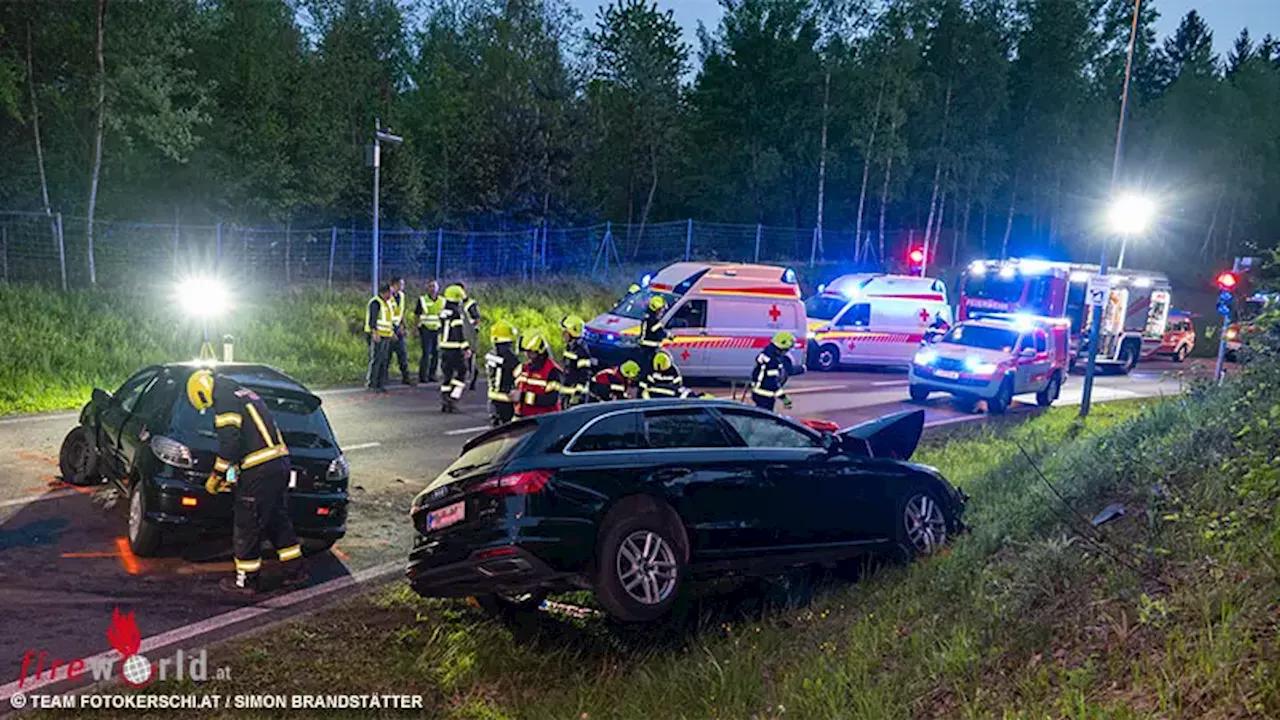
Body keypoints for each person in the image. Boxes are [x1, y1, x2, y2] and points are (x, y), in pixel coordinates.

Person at [188, 369, 305, 596]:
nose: (210, 408)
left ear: (202, 392)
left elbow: (230, 444)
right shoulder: (243, 393)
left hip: (259, 469)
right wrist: (232, 477)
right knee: (275, 520)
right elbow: (247, 440)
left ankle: (247, 581)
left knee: (246, 524)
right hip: (279, 464)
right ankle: (295, 571)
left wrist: (217, 476)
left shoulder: (224, 399)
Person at [438, 284, 471, 413]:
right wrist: (466, 347)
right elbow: (458, 333)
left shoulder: (443, 311)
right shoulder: (456, 313)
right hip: (454, 348)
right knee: (462, 372)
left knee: (447, 376)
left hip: (443, 347)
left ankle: (445, 400)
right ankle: (453, 397)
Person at [514, 334, 562, 418]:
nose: (527, 355)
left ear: (540, 352)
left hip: (545, 421)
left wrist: (523, 397)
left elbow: (551, 399)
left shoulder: (552, 371)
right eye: (526, 351)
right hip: (524, 419)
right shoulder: (524, 368)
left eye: (530, 352)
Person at [484, 321, 521, 426]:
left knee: (495, 431)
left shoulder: (490, 354)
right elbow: (519, 376)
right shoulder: (510, 357)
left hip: (492, 399)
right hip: (506, 400)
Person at [750, 331, 796, 412]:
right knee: (765, 418)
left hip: (757, 392)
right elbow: (771, 383)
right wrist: (784, 398)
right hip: (765, 395)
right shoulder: (773, 361)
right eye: (787, 350)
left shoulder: (765, 353)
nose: (786, 352)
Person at [364, 283, 395, 392]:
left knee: (384, 360)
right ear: (384, 292)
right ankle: (372, 383)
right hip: (377, 335)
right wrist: (375, 333)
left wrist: (392, 332)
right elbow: (373, 320)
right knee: (376, 360)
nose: (391, 295)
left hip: (386, 335)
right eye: (389, 293)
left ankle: (380, 384)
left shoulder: (388, 303)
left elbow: (390, 320)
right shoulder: (376, 302)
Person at [559, 315, 593, 407]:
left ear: (572, 332)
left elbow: (584, 374)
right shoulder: (569, 347)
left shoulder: (581, 350)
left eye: (565, 332)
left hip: (576, 397)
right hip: (567, 392)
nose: (563, 334)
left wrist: (578, 394)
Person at [414, 280, 444, 383]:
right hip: (425, 329)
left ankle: (432, 374)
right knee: (426, 353)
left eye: (434, 286)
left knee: (436, 353)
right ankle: (423, 376)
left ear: (438, 288)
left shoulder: (442, 301)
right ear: (427, 288)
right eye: (430, 286)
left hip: (437, 330)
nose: (432, 289)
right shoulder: (423, 300)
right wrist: (416, 328)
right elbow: (417, 314)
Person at [388, 278, 412, 385]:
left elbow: (401, 312)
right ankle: (382, 377)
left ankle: (406, 377)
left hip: (398, 327)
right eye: (400, 284)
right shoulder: (388, 296)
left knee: (402, 353)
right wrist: (391, 330)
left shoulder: (401, 296)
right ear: (393, 285)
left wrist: (404, 326)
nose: (402, 286)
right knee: (386, 354)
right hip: (388, 327)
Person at [459, 282, 482, 390]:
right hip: (459, 333)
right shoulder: (455, 303)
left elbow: (476, 319)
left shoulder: (470, 303)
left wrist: (470, 329)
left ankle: (473, 375)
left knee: (469, 358)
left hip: (469, 334)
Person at [638, 295, 668, 366]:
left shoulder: (648, 318)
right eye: (661, 309)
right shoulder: (653, 321)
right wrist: (668, 335)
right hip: (650, 350)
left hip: (645, 349)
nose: (662, 312)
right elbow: (659, 333)